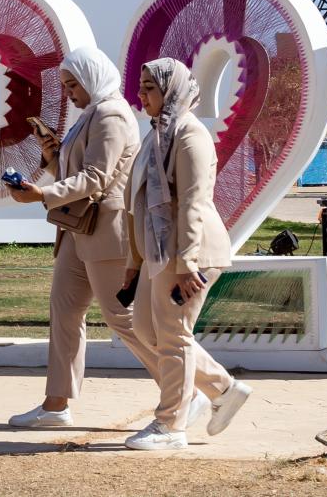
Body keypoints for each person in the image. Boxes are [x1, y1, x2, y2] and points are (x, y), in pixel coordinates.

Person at [3, 45, 162, 429]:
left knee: (123, 318)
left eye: (74, 84)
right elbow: (77, 171)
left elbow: (96, 178)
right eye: (66, 85)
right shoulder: (91, 114)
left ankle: (187, 386)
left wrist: (41, 194)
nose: (69, 92)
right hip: (79, 231)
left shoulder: (110, 114)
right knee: (65, 311)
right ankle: (55, 405)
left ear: (92, 78)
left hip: (107, 231)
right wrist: (53, 154)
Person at [120, 57, 252, 451]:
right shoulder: (156, 135)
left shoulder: (190, 135)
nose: (141, 95)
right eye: (141, 86)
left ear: (171, 90)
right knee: (146, 330)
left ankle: (170, 426)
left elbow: (193, 204)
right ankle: (223, 389)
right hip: (159, 253)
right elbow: (137, 205)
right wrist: (133, 264)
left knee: (174, 335)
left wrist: (186, 264)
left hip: (189, 254)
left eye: (150, 88)